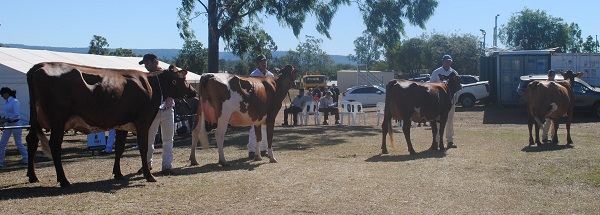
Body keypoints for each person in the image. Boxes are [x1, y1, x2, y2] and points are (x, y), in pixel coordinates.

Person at [139, 53, 176, 175]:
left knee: (168, 139)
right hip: (153, 112)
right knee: (149, 139)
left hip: (168, 108)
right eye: (145, 64)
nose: (146, 67)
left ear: (155, 61)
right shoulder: (146, 77)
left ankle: (167, 166)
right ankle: (147, 164)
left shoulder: (167, 74)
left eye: (147, 63)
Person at [247, 54, 274, 158]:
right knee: (254, 126)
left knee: (265, 126)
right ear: (257, 63)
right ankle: (252, 149)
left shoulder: (270, 75)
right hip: (256, 104)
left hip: (267, 104)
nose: (264, 63)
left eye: (265, 61)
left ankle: (263, 149)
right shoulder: (253, 75)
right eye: (262, 61)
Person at [429, 54, 458, 148]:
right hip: (438, 102)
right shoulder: (436, 72)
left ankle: (450, 141)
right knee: (437, 121)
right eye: (446, 61)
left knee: (449, 120)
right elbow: (430, 85)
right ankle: (436, 141)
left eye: (449, 61)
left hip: (450, 102)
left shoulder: (454, 72)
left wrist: (455, 100)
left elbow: (457, 87)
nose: (448, 62)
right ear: (443, 62)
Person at [0, 87, 28, 168]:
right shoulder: (7, 102)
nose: (2, 96)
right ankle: (0, 162)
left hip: (15, 124)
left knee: (18, 143)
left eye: (2, 94)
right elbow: (8, 114)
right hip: (8, 125)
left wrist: (6, 120)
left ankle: (26, 159)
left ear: (6, 93)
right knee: (2, 143)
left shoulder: (15, 102)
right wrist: (3, 119)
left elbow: (16, 114)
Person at [541, 69, 556, 142]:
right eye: (550, 76)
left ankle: (553, 137)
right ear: (548, 76)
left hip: (555, 105)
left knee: (554, 122)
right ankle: (544, 137)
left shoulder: (556, 84)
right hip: (547, 106)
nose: (551, 77)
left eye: (552, 76)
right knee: (548, 122)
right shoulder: (545, 84)